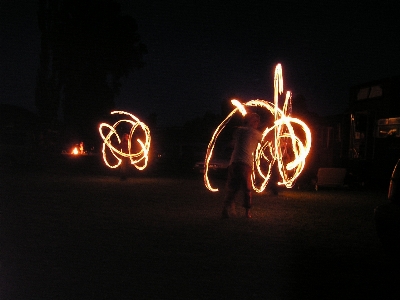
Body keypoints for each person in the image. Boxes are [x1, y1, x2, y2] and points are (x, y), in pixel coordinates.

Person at [222, 112, 262, 219]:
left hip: (233, 163)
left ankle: (226, 210)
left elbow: (233, 142)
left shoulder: (239, 131)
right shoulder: (255, 133)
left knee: (232, 188)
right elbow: (268, 141)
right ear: (250, 121)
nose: (257, 123)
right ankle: (247, 213)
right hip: (245, 164)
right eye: (255, 121)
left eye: (257, 121)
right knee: (247, 189)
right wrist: (281, 144)